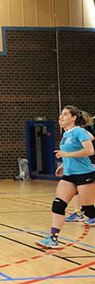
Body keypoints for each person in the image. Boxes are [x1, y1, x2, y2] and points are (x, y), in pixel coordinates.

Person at [36, 106, 95, 249]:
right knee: (58, 205)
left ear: (73, 117)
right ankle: (53, 239)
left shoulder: (79, 131)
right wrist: (63, 164)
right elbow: (84, 142)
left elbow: (89, 150)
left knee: (89, 211)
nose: (61, 117)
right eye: (60, 115)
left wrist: (67, 155)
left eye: (65, 114)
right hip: (69, 176)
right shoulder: (66, 134)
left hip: (84, 174)